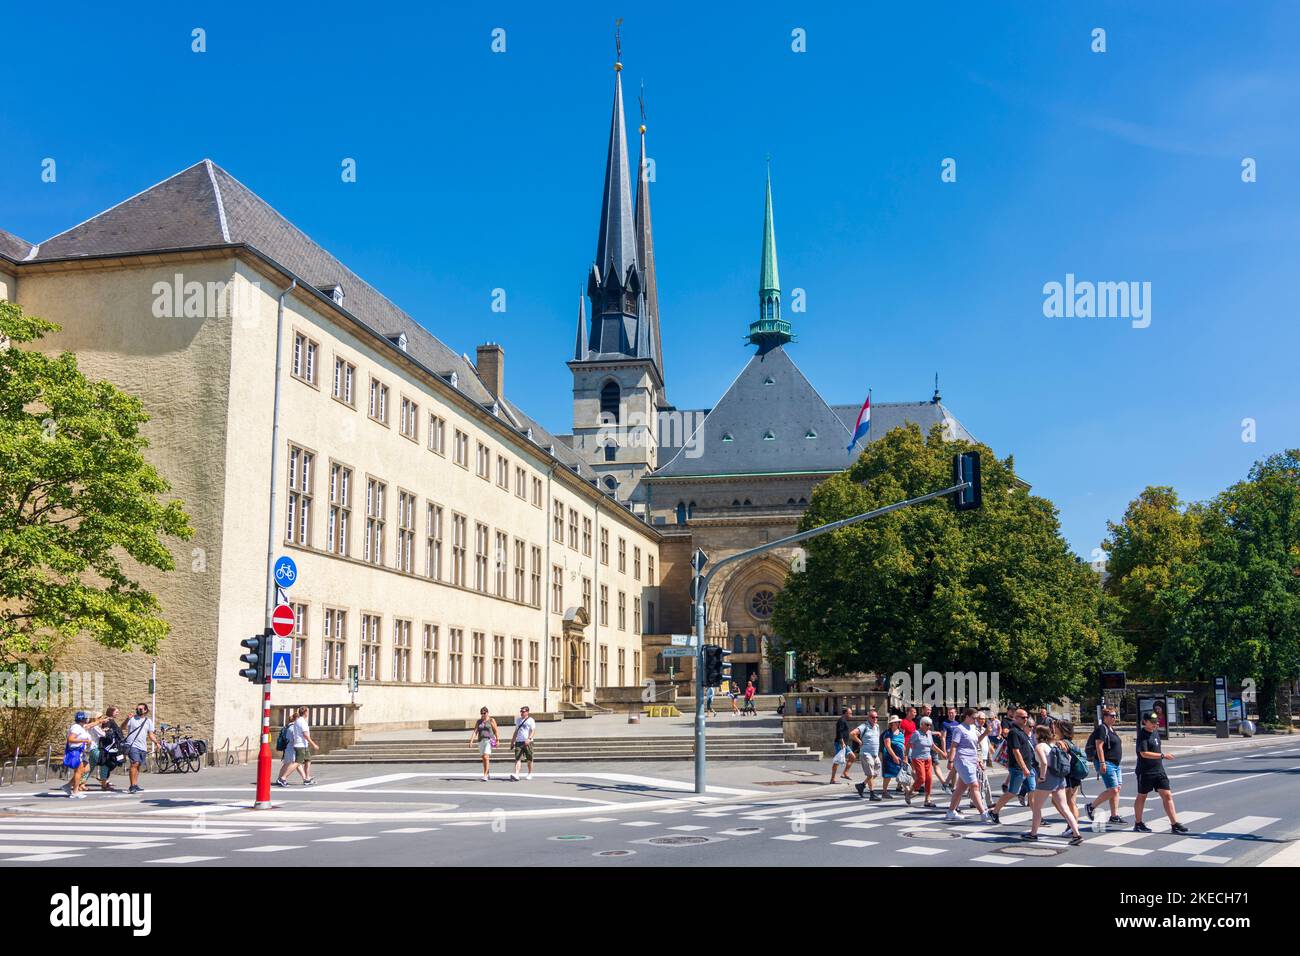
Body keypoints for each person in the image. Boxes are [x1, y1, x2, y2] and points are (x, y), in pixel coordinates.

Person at [1024, 724, 1083, 845]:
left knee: (1036, 807)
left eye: (1035, 732)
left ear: (1039, 734)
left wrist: (1042, 776)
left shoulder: (1040, 746)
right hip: (1059, 777)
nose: (1033, 735)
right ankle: (1077, 834)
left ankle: (1033, 834)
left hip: (1047, 779)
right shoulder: (1053, 745)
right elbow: (1069, 758)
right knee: (1064, 807)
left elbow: (1044, 763)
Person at [1133, 712, 1189, 834]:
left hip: (1159, 770)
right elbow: (1144, 753)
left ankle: (1174, 824)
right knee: (1142, 796)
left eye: (1156, 722)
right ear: (1145, 722)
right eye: (1152, 722)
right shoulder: (1142, 735)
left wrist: (1161, 757)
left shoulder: (1155, 733)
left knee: (1167, 795)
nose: (1155, 724)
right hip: (1145, 771)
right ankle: (1138, 823)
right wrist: (1162, 755)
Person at [989, 709, 1035, 823]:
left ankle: (1037, 816)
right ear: (1016, 718)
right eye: (1023, 717)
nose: (1025, 719)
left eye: (1026, 717)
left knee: (1032, 791)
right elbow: (1016, 751)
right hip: (1018, 768)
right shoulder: (1014, 732)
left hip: (1029, 767)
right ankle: (994, 812)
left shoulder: (1022, 731)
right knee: (1012, 793)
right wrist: (1024, 768)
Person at [945, 708, 991, 822]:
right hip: (962, 760)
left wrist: (985, 734)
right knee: (974, 786)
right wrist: (950, 761)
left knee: (961, 788)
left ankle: (951, 812)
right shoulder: (959, 729)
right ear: (967, 716)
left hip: (972, 760)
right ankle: (983, 813)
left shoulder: (972, 728)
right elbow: (954, 745)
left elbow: (975, 743)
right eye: (974, 718)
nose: (976, 720)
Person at [1085, 707, 1126, 826]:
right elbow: (1099, 746)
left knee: (1116, 789)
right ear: (1105, 717)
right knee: (1113, 789)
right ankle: (1091, 807)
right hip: (1107, 763)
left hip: (1115, 764)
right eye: (1112, 716)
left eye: (1115, 715)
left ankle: (1114, 816)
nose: (1114, 718)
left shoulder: (1111, 729)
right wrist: (1102, 763)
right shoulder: (1102, 729)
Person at [1056, 719, 1086, 830]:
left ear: (1061, 730)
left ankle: (1072, 826)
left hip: (1068, 776)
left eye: (1057, 727)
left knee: (1065, 802)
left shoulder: (1062, 743)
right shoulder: (1070, 742)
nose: (1054, 729)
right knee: (1071, 802)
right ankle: (1072, 825)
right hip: (1075, 775)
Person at [122, 702, 158, 794]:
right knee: (135, 763)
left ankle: (135, 784)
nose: (138, 710)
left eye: (140, 709)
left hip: (142, 747)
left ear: (145, 710)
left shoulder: (148, 721)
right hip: (132, 745)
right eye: (137, 709)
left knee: (138, 765)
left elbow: (151, 734)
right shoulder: (132, 719)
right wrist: (127, 719)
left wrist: (157, 742)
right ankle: (132, 786)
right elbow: (123, 727)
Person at [92, 707, 126, 792]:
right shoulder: (108, 720)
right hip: (109, 747)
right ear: (111, 712)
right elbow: (105, 733)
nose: (118, 713)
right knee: (107, 763)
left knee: (109, 764)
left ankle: (104, 781)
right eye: (116, 712)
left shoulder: (110, 720)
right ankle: (104, 782)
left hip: (110, 746)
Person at [852, 709, 883, 800]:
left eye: (876, 717)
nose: (875, 719)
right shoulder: (864, 726)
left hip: (875, 754)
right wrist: (859, 741)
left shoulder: (877, 726)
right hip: (866, 753)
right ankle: (872, 794)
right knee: (870, 774)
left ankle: (861, 785)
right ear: (869, 717)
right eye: (873, 717)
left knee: (876, 773)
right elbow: (852, 733)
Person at [61, 712, 94, 798]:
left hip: (81, 751)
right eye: (86, 718)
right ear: (82, 719)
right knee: (78, 771)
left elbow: (90, 725)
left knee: (86, 769)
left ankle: (68, 786)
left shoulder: (81, 727)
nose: (87, 719)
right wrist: (84, 741)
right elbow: (71, 739)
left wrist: (100, 721)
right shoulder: (76, 728)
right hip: (76, 751)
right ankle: (75, 791)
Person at [907, 716, 938, 807]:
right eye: (927, 725)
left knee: (929, 779)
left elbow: (932, 745)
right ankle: (910, 792)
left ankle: (927, 800)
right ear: (922, 725)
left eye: (930, 725)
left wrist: (942, 752)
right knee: (921, 779)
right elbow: (909, 744)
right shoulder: (916, 734)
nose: (929, 727)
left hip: (928, 758)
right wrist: (905, 756)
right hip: (918, 758)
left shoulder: (929, 733)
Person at [470, 707, 499, 781]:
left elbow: (496, 731)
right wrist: (471, 741)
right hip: (481, 740)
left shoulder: (491, 720)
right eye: (481, 713)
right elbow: (475, 731)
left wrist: (497, 740)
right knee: (483, 758)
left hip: (489, 740)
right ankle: (487, 773)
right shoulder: (479, 721)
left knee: (486, 756)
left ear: (487, 713)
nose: (483, 715)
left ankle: (485, 775)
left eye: (484, 713)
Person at [879, 715, 906, 799]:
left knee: (902, 773)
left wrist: (905, 756)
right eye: (895, 722)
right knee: (888, 775)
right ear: (891, 723)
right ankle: (884, 792)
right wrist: (894, 756)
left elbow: (903, 745)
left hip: (900, 755)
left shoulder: (901, 732)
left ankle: (908, 790)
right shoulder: (887, 733)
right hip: (889, 756)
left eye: (898, 722)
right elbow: (887, 746)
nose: (897, 723)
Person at [510, 706, 536, 781]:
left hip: (528, 742)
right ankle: (517, 774)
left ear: (527, 712)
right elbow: (516, 731)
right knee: (517, 758)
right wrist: (512, 741)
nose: (521, 713)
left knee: (529, 759)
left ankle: (530, 773)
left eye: (523, 711)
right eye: (521, 711)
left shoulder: (531, 720)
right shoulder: (518, 720)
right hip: (519, 742)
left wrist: (529, 738)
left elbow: (533, 730)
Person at [830, 707, 854, 784]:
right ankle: (832, 779)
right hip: (840, 743)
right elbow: (839, 732)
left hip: (845, 744)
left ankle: (845, 773)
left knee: (852, 757)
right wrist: (842, 742)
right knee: (837, 761)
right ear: (845, 713)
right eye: (850, 713)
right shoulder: (841, 720)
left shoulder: (844, 720)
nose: (851, 715)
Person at [939, 706, 961, 793]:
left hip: (958, 748)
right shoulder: (945, 724)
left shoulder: (957, 724)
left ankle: (952, 786)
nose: (951, 714)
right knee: (955, 767)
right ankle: (952, 786)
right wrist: (944, 750)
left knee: (955, 768)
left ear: (955, 713)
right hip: (949, 748)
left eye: (952, 713)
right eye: (949, 713)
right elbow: (943, 737)